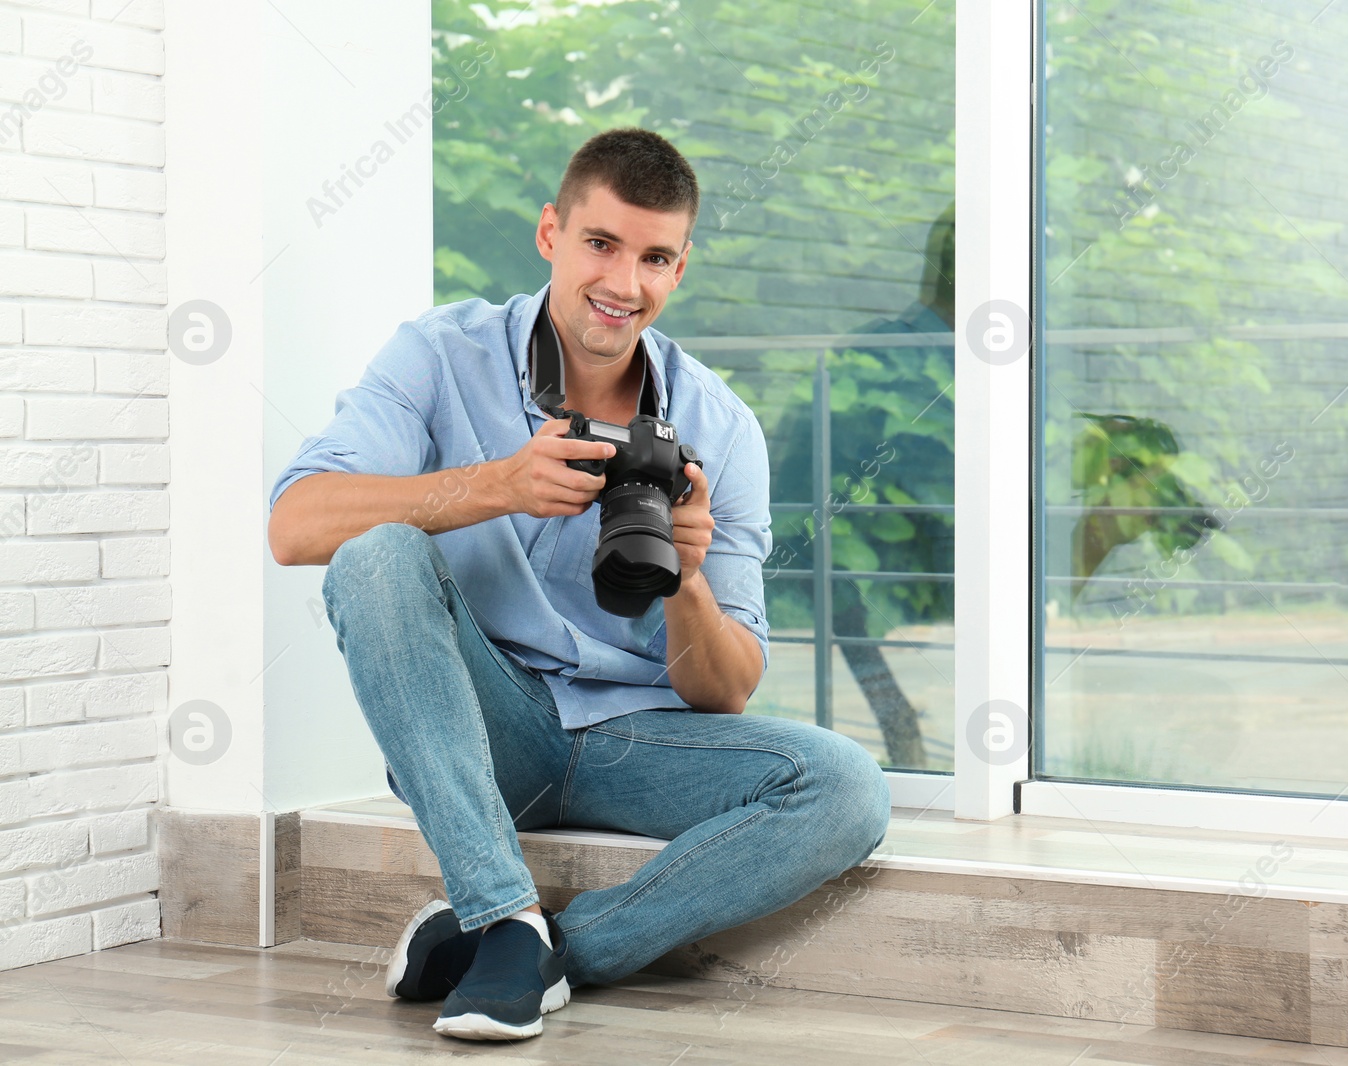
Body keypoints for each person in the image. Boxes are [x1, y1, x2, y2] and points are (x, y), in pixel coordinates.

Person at [267, 127, 891, 1042]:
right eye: (601, 244)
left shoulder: (720, 425)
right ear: (551, 232)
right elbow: (294, 525)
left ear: (680, 269)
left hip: (639, 742)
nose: (623, 283)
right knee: (375, 554)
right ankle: (502, 911)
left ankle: (530, 942)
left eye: (654, 258)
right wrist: (497, 484)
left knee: (846, 789)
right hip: (484, 730)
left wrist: (683, 577)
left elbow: (726, 689)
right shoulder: (441, 355)